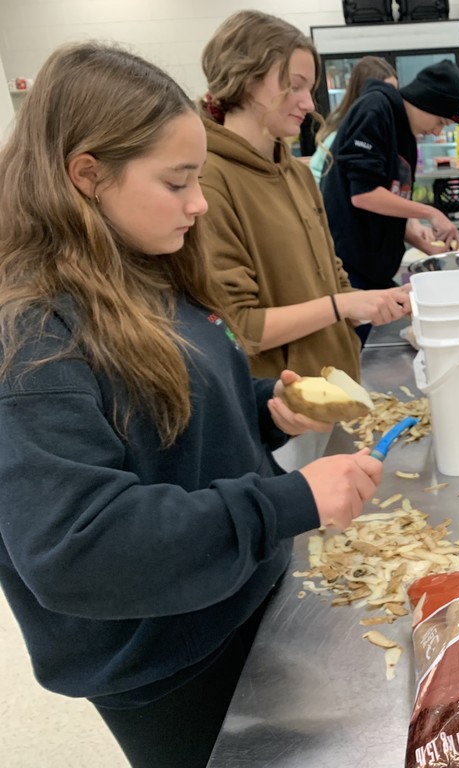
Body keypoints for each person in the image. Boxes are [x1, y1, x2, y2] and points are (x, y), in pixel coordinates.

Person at [0, 42, 382, 768]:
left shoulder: (146, 266)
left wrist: (266, 407)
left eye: (199, 178)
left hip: (244, 597)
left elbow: (172, 411)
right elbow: (76, 547)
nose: (199, 203)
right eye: (177, 183)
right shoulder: (31, 339)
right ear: (87, 175)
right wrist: (285, 504)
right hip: (168, 662)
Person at [199, 10, 411, 376]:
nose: (310, 104)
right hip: (281, 411)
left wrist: (367, 301)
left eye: (309, 89)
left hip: (337, 384)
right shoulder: (209, 181)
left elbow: (333, 274)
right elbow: (237, 327)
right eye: (294, 86)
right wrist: (340, 306)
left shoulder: (297, 173)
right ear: (245, 79)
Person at [320, 60, 459, 306]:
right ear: (427, 101)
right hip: (349, 269)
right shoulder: (375, 110)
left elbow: (390, 206)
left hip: (376, 269)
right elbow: (364, 195)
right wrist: (430, 212)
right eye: (440, 122)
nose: (437, 132)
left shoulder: (406, 135)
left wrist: (426, 247)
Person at [310, 56, 397, 185]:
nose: (392, 99)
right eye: (385, 93)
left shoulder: (379, 130)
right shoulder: (340, 137)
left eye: (394, 92)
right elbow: (316, 179)